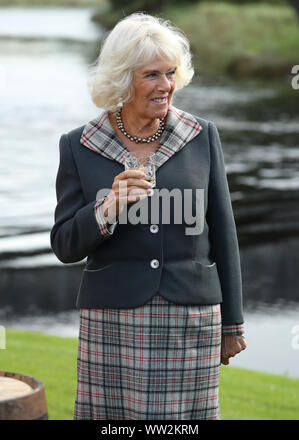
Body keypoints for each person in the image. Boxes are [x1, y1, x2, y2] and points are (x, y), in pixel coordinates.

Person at [50, 12, 246, 420]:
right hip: (113, 319)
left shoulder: (201, 135)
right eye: (151, 75)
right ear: (123, 79)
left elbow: (224, 233)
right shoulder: (78, 146)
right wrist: (107, 209)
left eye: (170, 72)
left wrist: (233, 324)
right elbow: (65, 245)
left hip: (191, 318)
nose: (166, 86)